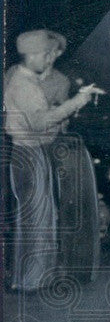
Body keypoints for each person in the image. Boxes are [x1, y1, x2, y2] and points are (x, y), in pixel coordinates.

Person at [3, 29, 104, 292]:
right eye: (46, 56)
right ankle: (30, 281)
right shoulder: (23, 85)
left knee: (37, 217)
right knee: (36, 219)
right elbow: (39, 122)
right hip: (30, 151)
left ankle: (31, 278)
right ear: (33, 55)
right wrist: (78, 101)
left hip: (29, 152)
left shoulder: (17, 74)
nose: (50, 61)